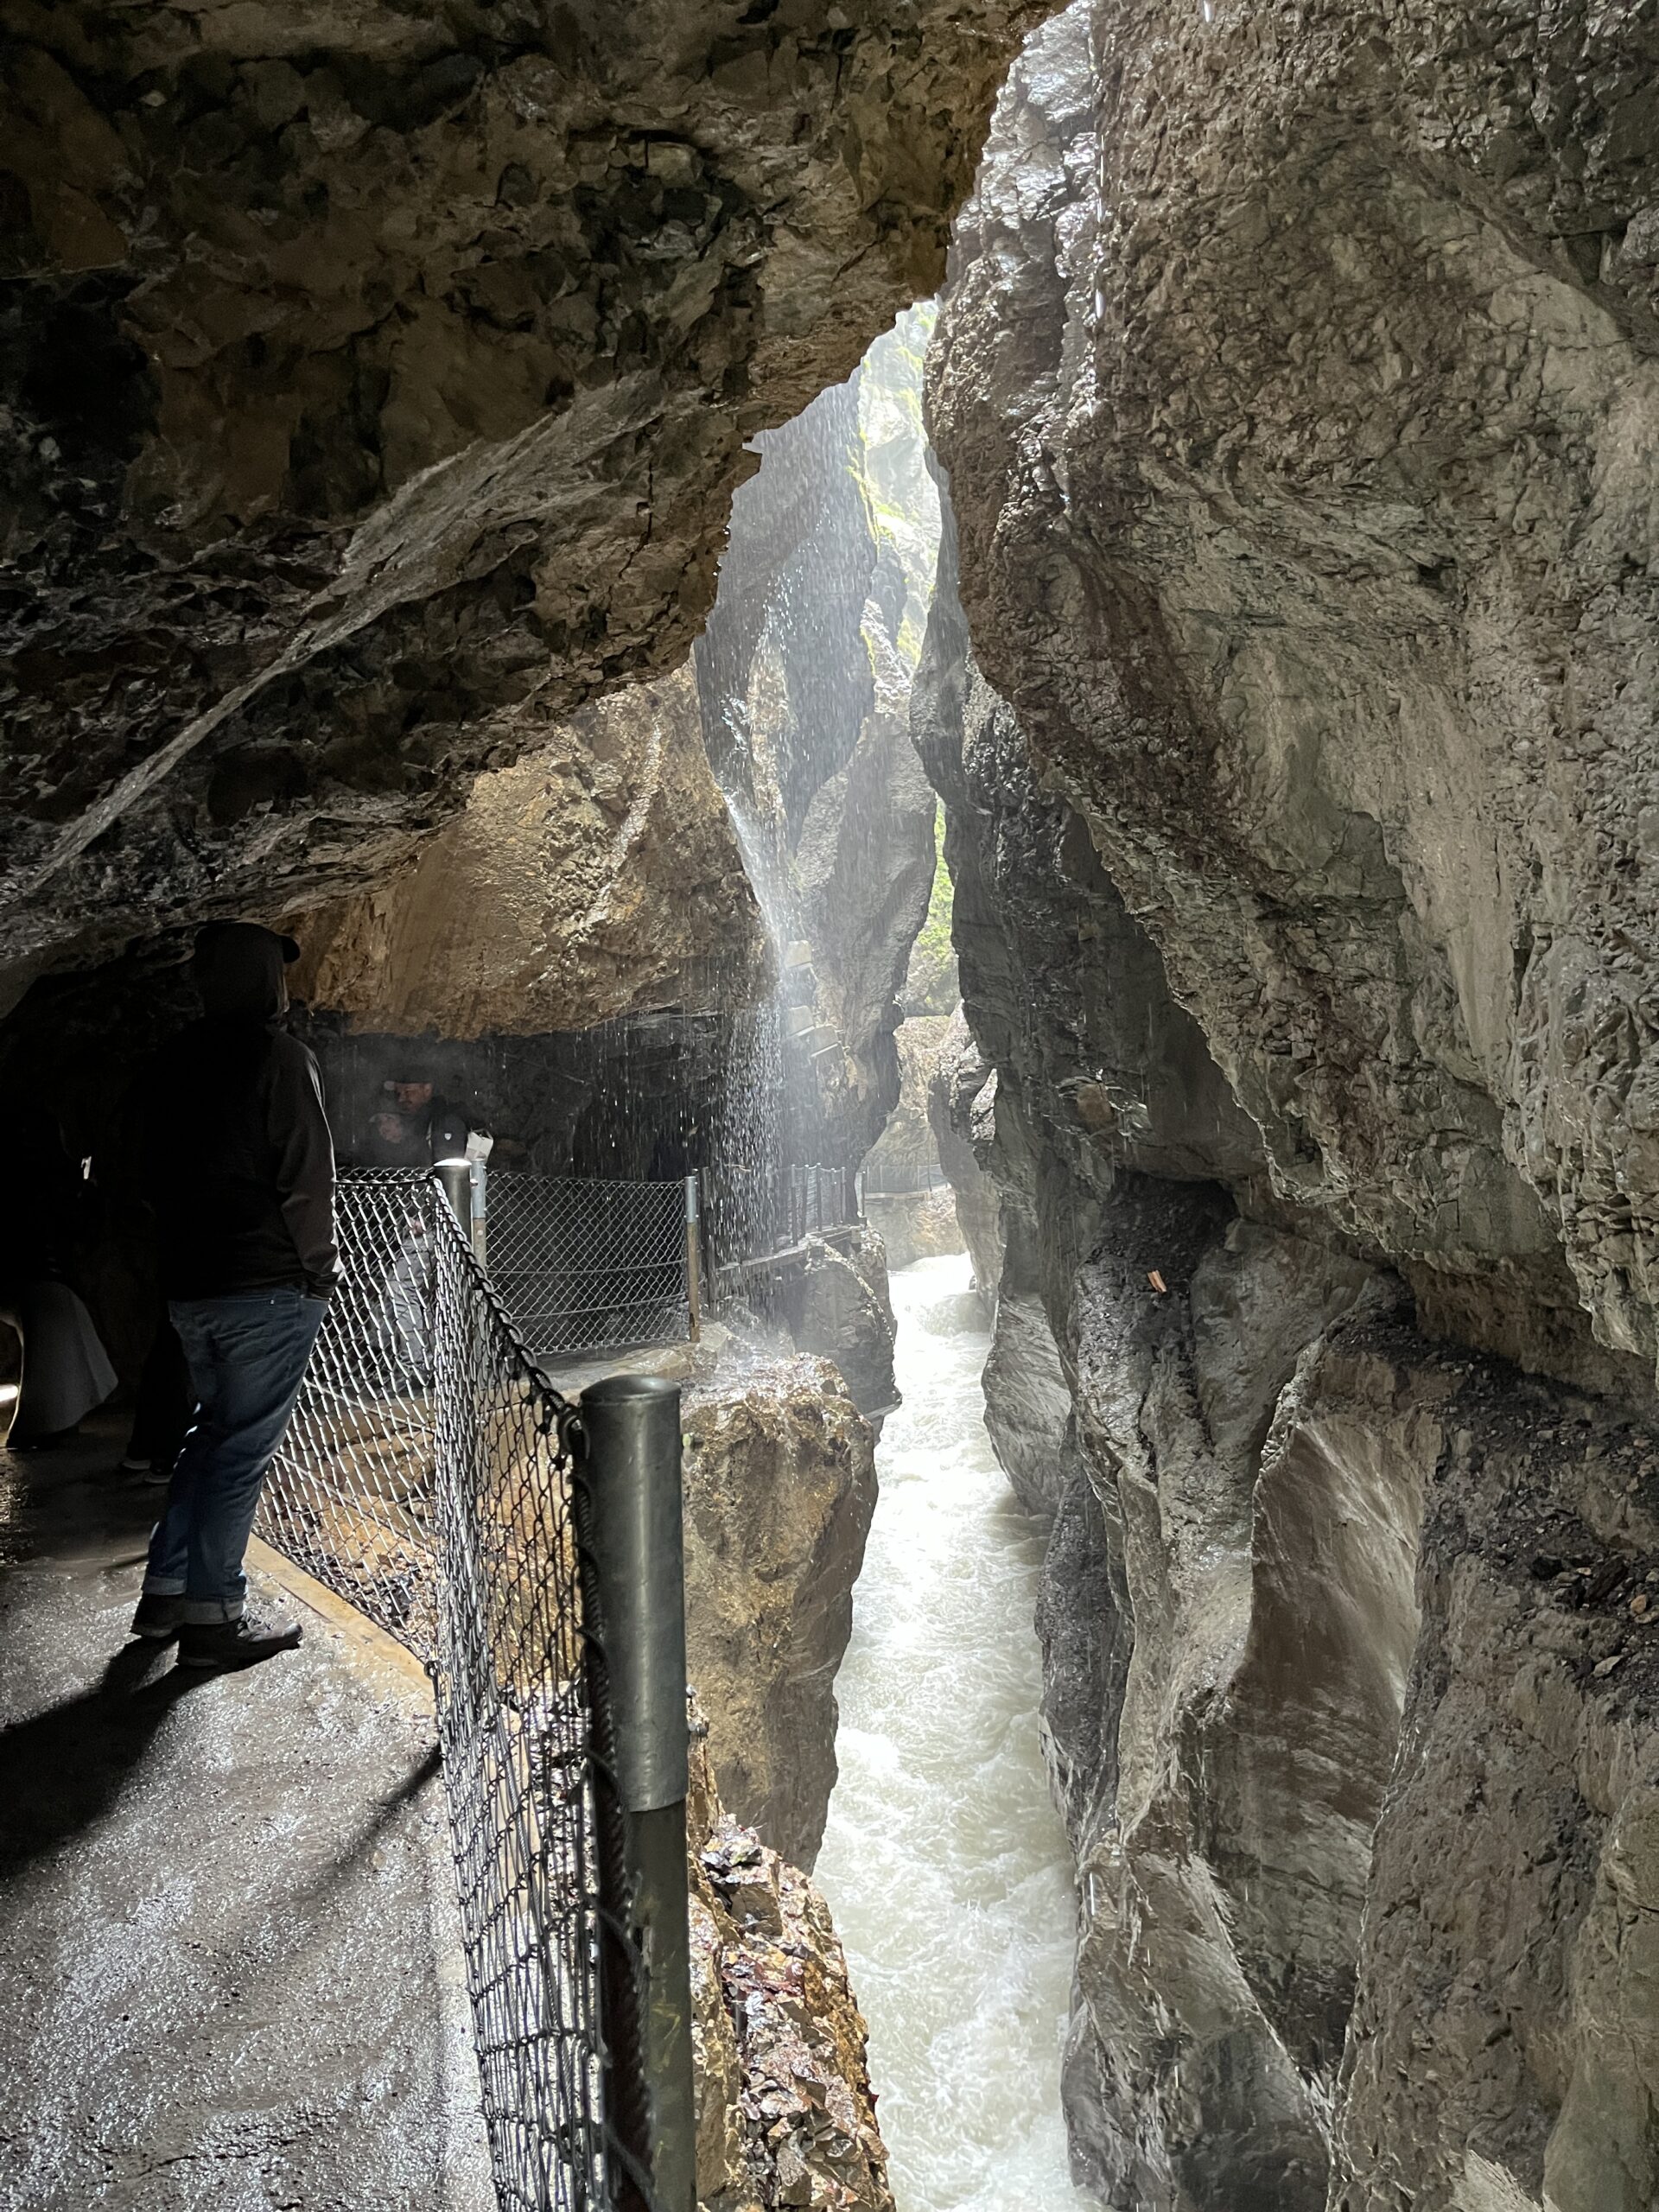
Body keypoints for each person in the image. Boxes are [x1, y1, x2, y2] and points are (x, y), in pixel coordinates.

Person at [127, 921, 338, 1669]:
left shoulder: (168, 1063)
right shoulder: (282, 1059)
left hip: (192, 1286)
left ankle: (165, 1596)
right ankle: (214, 1620)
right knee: (242, 1450)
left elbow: (140, 1176)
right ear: (263, 981)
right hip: (267, 1287)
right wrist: (319, 1269)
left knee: (210, 1434)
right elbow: (307, 1177)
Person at [0, 1107, 117, 1450]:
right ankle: (42, 1426)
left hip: (24, 1279)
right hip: (40, 1280)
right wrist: (89, 1189)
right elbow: (79, 1227)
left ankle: (54, 1419)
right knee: (62, 1325)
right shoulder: (45, 1178)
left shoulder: (20, 1177)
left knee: (66, 1330)